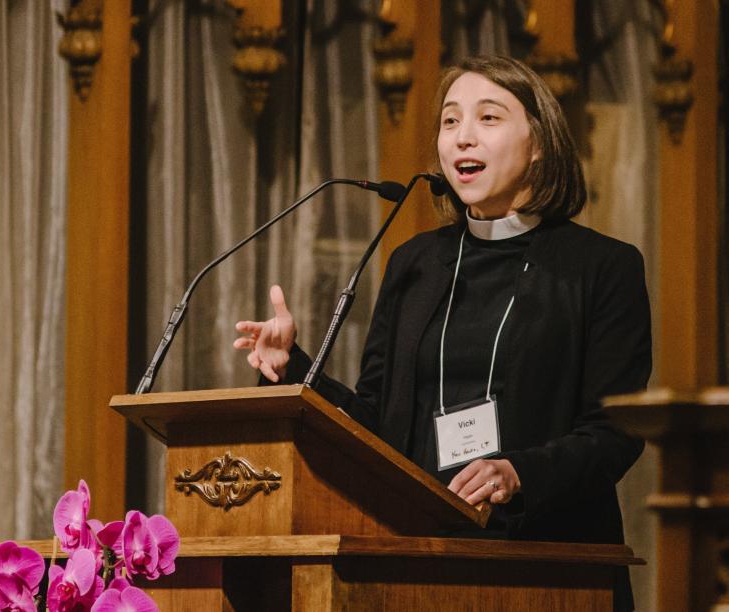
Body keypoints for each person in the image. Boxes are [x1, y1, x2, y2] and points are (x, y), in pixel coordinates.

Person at [233, 55, 650, 611]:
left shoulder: (601, 267)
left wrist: (519, 471)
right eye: (450, 121)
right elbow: (376, 425)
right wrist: (293, 369)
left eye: (489, 118)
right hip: (419, 560)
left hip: (550, 562)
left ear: (540, 144)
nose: (463, 138)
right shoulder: (416, 263)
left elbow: (615, 431)